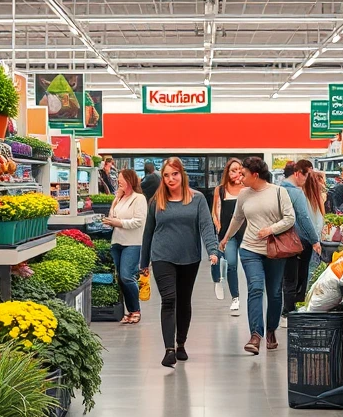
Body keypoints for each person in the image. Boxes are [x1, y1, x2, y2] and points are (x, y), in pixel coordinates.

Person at [140, 157, 219, 368]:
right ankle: (169, 350)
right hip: (161, 256)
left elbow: (206, 226)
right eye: (166, 175)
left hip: (189, 257)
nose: (170, 179)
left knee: (184, 301)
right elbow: (148, 232)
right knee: (169, 299)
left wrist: (212, 250)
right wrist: (143, 261)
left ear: (182, 175)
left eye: (174, 174)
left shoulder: (197, 199)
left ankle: (181, 342)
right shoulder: (156, 201)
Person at [223, 157, 296, 355]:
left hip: (275, 250)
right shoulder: (244, 195)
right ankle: (255, 335)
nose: (239, 177)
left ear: (255, 175)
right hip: (249, 249)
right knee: (255, 288)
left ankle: (271, 330)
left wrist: (270, 229)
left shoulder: (279, 192)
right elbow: (237, 218)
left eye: (243, 173)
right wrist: (225, 238)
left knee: (273, 293)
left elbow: (290, 218)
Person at [102, 169, 148, 325]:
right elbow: (112, 215)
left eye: (120, 180)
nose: (118, 182)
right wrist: (115, 201)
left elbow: (139, 222)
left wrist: (118, 223)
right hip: (117, 242)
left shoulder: (139, 199)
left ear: (129, 181)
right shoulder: (120, 198)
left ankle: (136, 310)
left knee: (127, 277)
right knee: (121, 279)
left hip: (133, 243)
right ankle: (129, 311)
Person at [280, 160, 322, 319]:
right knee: (299, 278)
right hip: (299, 241)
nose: (305, 180)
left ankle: (283, 310)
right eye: (305, 176)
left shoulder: (276, 190)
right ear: (297, 173)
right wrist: (314, 240)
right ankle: (291, 312)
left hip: (280, 241)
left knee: (284, 278)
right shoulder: (296, 193)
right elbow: (304, 219)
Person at [211, 158, 245, 313]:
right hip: (227, 233)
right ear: (227, 172)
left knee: (249, 263)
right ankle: (235, 297)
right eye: (233, 170)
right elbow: (215, 211)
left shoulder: (247, 188)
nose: (237, 173)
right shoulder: (221, 189)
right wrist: (218, 227)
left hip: (246, 232)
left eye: (239, 169)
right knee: (232, 264)